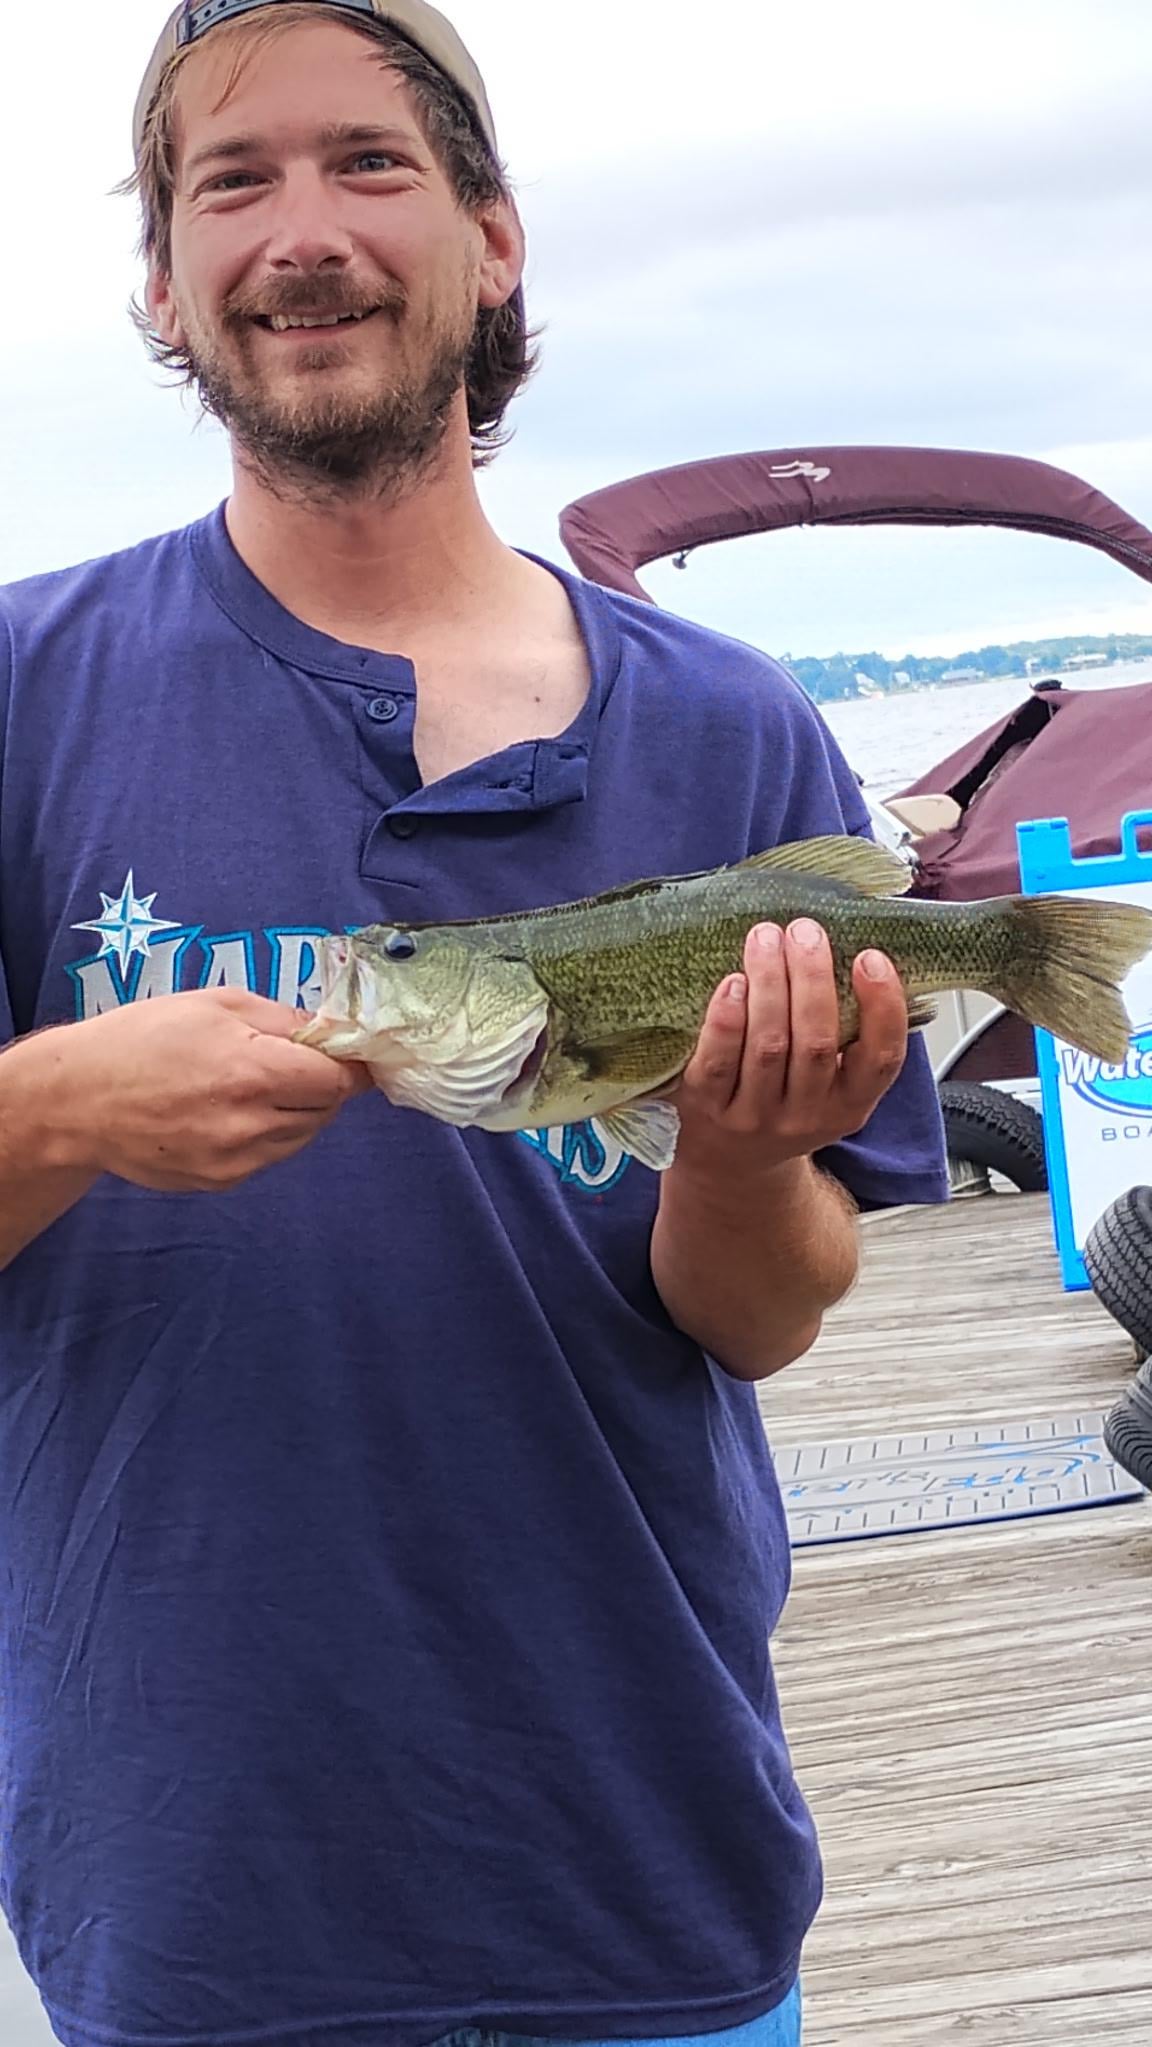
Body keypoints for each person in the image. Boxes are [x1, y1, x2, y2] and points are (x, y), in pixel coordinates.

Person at [0, 5, 949, 2045]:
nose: (301, 231)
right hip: (195, 1898)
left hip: (644, 1869)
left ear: (492, 236)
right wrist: (55, 1105)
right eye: (231, 182)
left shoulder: (730, 726)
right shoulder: (23, 690)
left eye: (369, 161)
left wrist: (743, 1157)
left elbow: (763, 1319)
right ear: (162, 279)